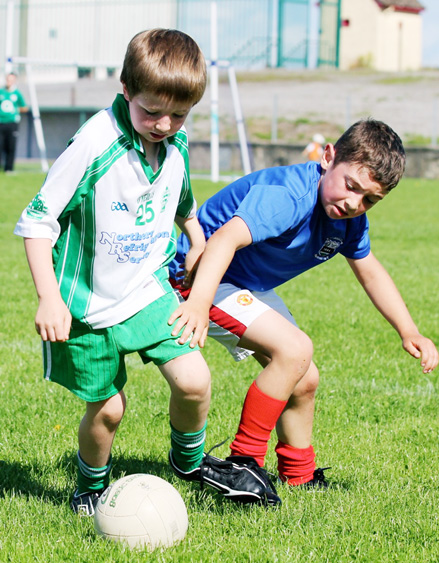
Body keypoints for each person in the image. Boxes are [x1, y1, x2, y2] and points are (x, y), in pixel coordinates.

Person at [14, 29, 278, 516]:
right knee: (109, 411)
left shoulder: (174, 147)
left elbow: (183, 203)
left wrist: (196, 237)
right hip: (85, 305)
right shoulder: (94, 143)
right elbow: (37, 222)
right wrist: (49, 298)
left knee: (195, 381)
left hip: (146, 290)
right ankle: (90, 487)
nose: (164, 124)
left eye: (178, 114)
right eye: (151, 110)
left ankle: (190, 464)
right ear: (125, 89)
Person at [168, 119, 439, 503]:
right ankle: (242, 463)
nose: (354, 204)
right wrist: (197, 302)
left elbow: (371, 274)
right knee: (294, 350)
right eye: (351, 187)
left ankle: (299, 475)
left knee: (304, 377)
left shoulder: (350, 221)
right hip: (200, 275)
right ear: (328, 157)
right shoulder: (290, 196)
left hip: (242, 283)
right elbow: (224, 240)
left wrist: (408, 330)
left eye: (369, 200)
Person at [0, 72, 28, 173]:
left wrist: (15, 109)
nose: (9, 82)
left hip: (12, 123)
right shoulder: (1, 92)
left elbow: (24, 108)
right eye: (8, 79)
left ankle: (9, 168)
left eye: (11, 80)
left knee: (10, 146)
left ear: (14, 81)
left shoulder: (17, 94)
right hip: (1, 122)